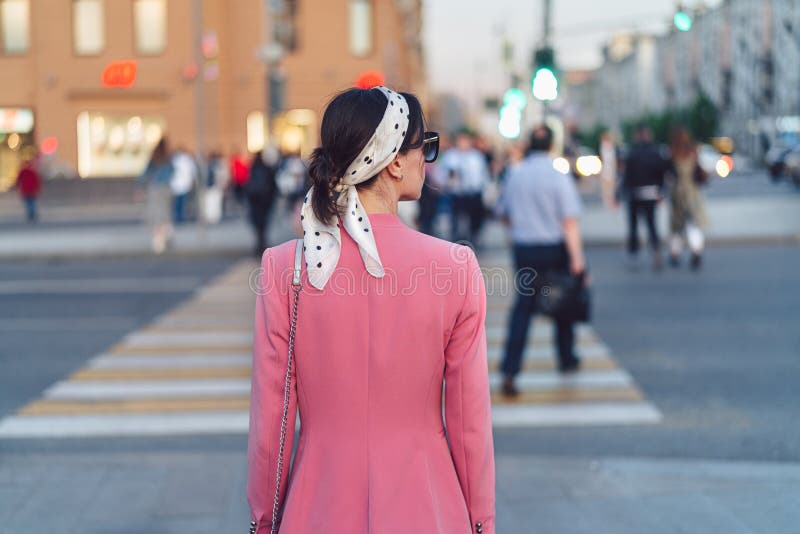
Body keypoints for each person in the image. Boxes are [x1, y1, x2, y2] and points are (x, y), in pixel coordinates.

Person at [247, 86, 495, 533]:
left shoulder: (287, 266)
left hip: (316, 507)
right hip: (427, 505)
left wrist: (264, 520)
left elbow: (273, 420)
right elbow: (468, 422)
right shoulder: (455, 267)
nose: (427, 159)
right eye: (426, 146)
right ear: (395, 160)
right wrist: (480, 523)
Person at [495, 125, 586, 397]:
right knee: (562, 303)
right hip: (554, 249)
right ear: (551, 145)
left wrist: (515, 232)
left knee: (523, 309)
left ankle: (510, 371)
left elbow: (503, 212)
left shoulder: (515, 175)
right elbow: (569, 221)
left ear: (529, 145)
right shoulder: (559, 177)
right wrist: (578, 260)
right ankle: (567, 357)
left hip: (525, 250)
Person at [621, 125, 668, 271]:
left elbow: (627, 176)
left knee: (634, 225)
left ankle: (634, 255)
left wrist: (622, 193)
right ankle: (655, 250)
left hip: (635, 194)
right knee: (652, 224)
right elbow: (662, 174)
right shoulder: (656, 153)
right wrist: (661, 191)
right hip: (651, 193)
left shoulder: (632, 153)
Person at [666, 128, 708, 270]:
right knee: (693, 223)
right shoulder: (692, 153)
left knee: (677, 225)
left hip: (678, 192)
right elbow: (698, 172)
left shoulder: (672, 154)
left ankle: (675, 253)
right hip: (691, 192)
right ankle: (696, 250)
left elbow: (668, 175)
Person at [440, 130, 490, 247]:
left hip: (473, 193)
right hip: (456, 193)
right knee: (456, 219)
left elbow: (483, 175)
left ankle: (473, 239)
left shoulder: (476, 156)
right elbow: (443, 174)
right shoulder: (450, 156)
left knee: (475, 219)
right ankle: (457, 241)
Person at [138, 138, 175, 254]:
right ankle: (166, 232)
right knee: (164, 212)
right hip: (166, 188)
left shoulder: (154, 158)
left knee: (155, 214)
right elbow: (173, 171)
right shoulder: (168, 158)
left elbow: (146, 173)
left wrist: (140, 186)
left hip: (155, 188)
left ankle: (158, 241)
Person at [245, 145, 280, 257]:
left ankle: (259, 244)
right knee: (264, 224)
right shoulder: (267, 168)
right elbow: (274, 185)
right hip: (265, 202)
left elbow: (247, 185)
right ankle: (262, 243)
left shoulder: (252, 168)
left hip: (255, 202)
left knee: (257, 224)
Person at [170, 147, 198, 224]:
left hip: (179, 184)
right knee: (181, 202)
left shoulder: (175, 159)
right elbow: (193, 170)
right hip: (181, 184)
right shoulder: (185, 159)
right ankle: (179, 217)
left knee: (179, 202)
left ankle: (179, 217)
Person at [16, 153, 42, 223]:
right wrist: (38, 188)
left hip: (25, 190)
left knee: (28, 203)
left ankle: (30, 214)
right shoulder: (33, 171)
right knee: (32, 202)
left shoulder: (23, 171)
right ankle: (32, 214)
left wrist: (17, 186)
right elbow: (37, 181)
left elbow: (18, 180)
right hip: (32, 190)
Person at [599, 130, 619, 209]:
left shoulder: (610, 147)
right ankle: (607, 201)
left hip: (609, 169)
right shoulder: (604, 147)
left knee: (611, 187)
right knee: (606, 187)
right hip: (606, 169)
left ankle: (610, 201)